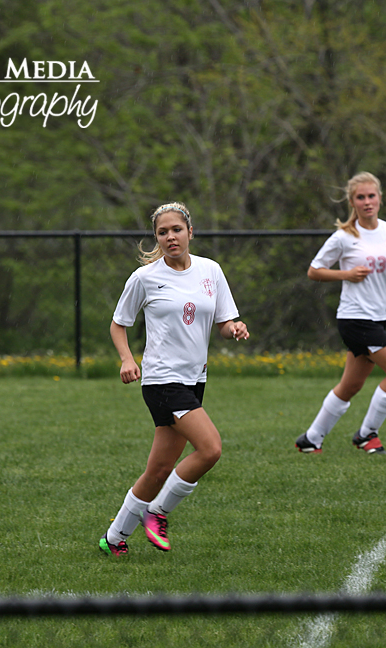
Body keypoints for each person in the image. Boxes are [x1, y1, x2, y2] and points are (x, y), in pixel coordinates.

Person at [99, 202, 249, 556]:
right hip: (162, 381)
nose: (170, 237)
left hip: (194, 380)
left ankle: (114, 538)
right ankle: (157, 512)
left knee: (159, 469)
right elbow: (118, 323)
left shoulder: (211, 271)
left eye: (176, 230)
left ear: (190, 232)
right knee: (210, 449)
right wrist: (126, 359)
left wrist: (234, 328)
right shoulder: (145, 277)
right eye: (163, 232)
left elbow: (224, 322)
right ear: (157, 238)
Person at [296, 172, 386, 455]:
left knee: (350, 385)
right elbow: (314, 271)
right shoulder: (344, 237)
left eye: (371, 196)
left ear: (379, 199)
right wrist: (346, 274)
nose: (367, 202)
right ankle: (366, 435)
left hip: (378, 317)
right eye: (360, 197)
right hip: (355, 318)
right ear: (352, 202)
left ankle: (311, 439)